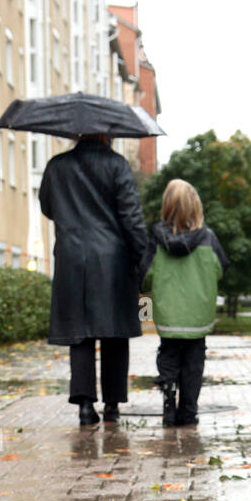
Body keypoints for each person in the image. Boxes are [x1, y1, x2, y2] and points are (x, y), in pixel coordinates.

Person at [39, 134, 148, 426]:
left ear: (76, 133)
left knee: (81, 333)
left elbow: (47, 207)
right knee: (114, 332)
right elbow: (131, 215)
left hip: (72, 257)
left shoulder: (56, 166)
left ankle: (85, 406)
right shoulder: (117, 165)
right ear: (108, 133)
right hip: (113, 259)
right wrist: (143, 256)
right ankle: (112, 404)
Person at [143, 179, 228, 427]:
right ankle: (189, 411)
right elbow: (221, 268)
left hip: (168, 315)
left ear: (166, 206)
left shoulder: (156, 240)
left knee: (168, 356)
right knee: (194, 362)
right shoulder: (208, 239)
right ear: (196, 207)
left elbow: (145, 274)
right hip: (198, 315)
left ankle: (169, 405)